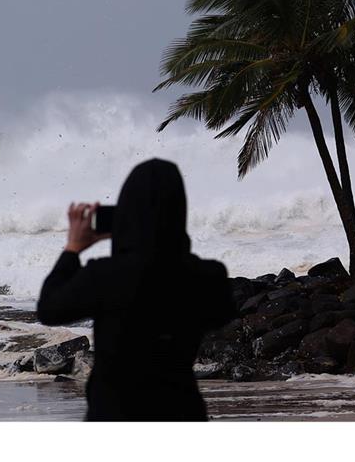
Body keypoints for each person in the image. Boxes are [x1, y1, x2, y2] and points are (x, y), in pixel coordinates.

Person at [37, 158, 236, 421]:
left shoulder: (103, 275)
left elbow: (49, 309)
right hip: (181, 412)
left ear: (125, 214)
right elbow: (223, 313)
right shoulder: (207, 276)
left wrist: (73, 248)